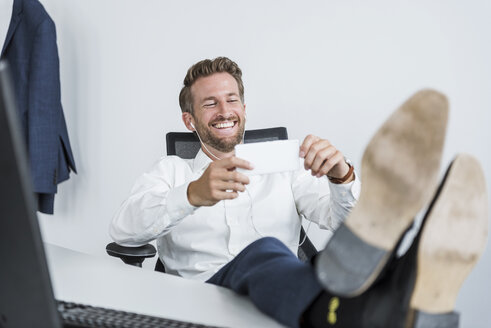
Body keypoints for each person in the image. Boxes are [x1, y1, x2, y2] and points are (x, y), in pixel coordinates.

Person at [110, 57, 488, 328]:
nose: (224, 110)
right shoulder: (171, 172)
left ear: (244, 107)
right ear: (189, 120)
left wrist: (341, 177)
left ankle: (402, 279)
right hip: (201, 298)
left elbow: (340, 222)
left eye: (232, 99)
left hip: (281, 292)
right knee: (265, 250)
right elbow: (123, 231)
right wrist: (192, 194)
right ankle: (365, 304)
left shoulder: (286, 164)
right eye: (210, 103)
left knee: (322, 254)